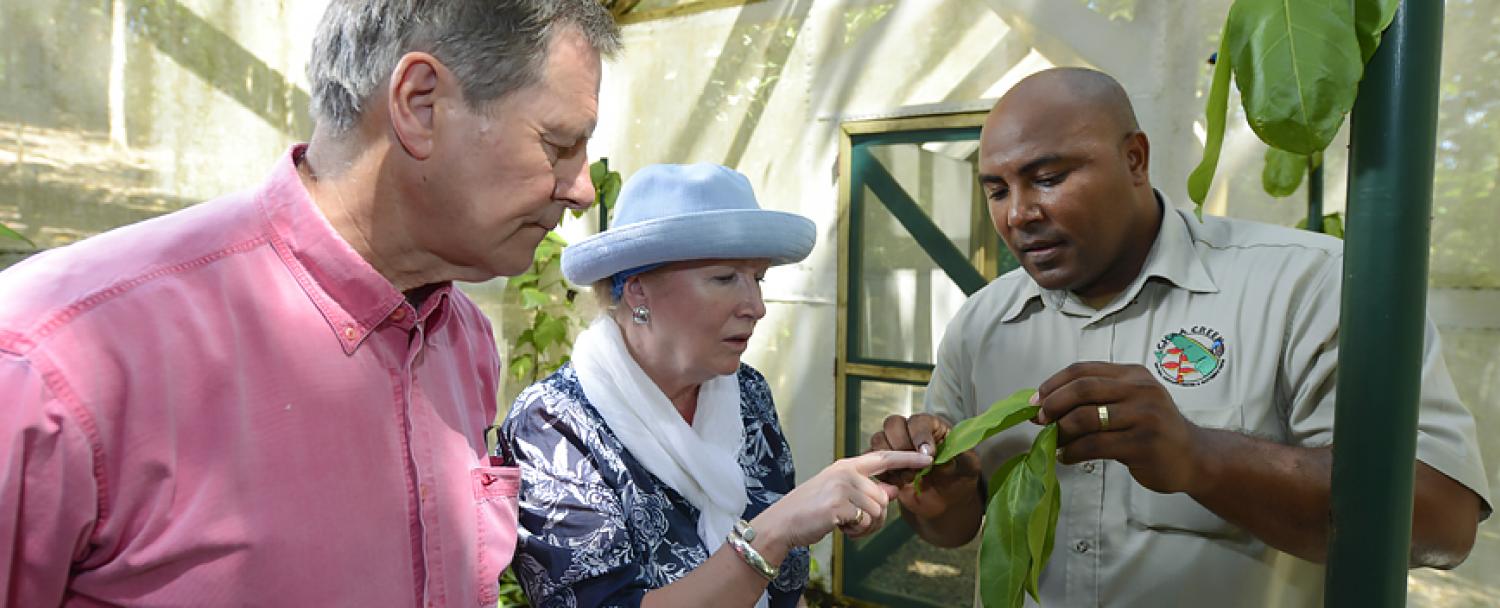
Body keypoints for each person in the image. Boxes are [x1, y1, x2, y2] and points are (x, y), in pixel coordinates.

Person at [0, 1, 619, 605]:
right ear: (420, 103)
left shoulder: (465, 342)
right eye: (560, 143)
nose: (583, 190)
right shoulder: (58, 359)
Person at [870, 68, 1491, 607]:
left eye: (1049, 177)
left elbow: (1443, 522)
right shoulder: (983, 324)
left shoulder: (1311, 284)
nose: (1018, 214)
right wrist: (939, 497)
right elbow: (953, 529)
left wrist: (1199, 456)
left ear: (1135, 159)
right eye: (997, 190)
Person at [502, 163, 932, 607]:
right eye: (726, 278)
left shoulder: (746, 393)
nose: (757, 306)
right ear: (637, 290)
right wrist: (775, 532)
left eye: (758, 278)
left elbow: (786, 593)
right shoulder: (555, 424)